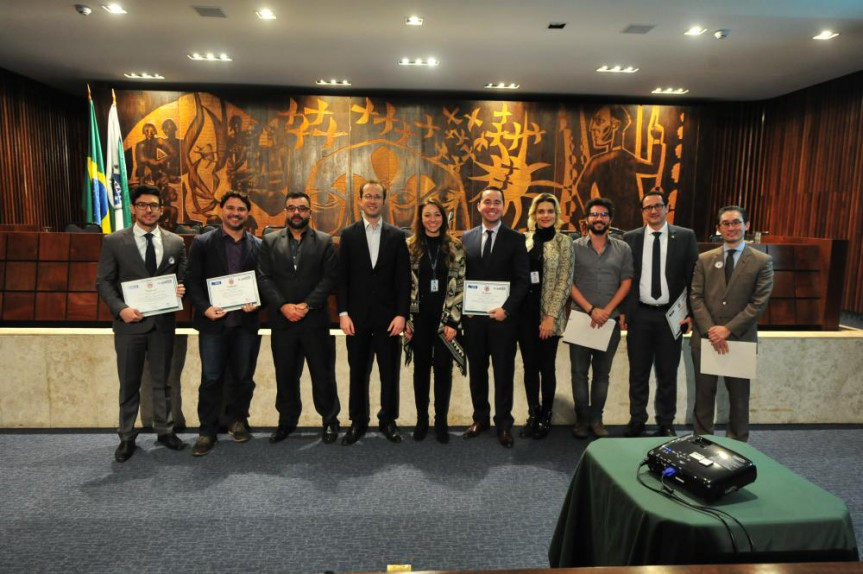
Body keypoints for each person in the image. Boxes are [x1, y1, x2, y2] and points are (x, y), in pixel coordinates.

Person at [95, 184, 188, 462]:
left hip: (162, 325)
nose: (149, 210)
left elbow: (183, 277)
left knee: (163, 381)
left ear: (162, 209)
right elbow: (104, 282)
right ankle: (126, 436)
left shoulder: (175, 242)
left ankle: (165, 430)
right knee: (129, 383)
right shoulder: (114, 241)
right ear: (133, 208)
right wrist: (120, 309)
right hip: (129, 325)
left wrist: (181, 288)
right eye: (143, 205)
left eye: (154, 205)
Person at [258, 191, 342, 444]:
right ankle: (286, 421)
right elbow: (264, 278)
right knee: (285, 375)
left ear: (310, 212)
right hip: (283, 322)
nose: (297, 213)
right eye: (292, 208)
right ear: (286, 211)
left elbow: (330, 278)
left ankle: (330, 420)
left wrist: (306, 305)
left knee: (323, 376)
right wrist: (283, 306)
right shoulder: (269, 241)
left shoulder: (324, 241)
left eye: (302, 208)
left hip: (315, 322)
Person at [185, 191, 261, 457]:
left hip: (245, 324)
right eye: (231, 208)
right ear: (221, 210)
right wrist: (205, 308)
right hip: (213, 324)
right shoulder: (202, 243)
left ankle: (237, 420)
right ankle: (207, 430)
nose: (235, 213)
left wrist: (257, 301)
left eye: (241, 209)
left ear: (247, 213)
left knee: (243, 377)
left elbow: (264, 281)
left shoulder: (258, 245)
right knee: (211, 378)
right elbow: (192, 280)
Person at [690, 205, 774, 442]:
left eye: (736, 222)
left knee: (739, 398)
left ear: (746, 226)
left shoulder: (762, 261)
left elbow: (759, 303)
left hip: (739, 339)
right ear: (718, 228)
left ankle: (737, 444)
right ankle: (702, 442)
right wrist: (711, 330)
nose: (731, 228)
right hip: (706, 338)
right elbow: (695, 296)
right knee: (704, 396)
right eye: (725, 223)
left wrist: (727, 329)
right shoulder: (704, 259)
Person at [620, 189, 698, 437]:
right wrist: (624, 311)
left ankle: (666, 422)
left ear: (666, 208)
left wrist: (691, 313)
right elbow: (625, 277)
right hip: (640, 316)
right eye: (648, 207)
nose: (653, 211)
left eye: (658, 206)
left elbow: (693, 278)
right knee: (638, 373)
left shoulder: (685, 236)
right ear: (642, 212)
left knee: (667, 373)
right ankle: (637, 420)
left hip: (671, 316)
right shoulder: (630, 238)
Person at [338, 181, 410, 445]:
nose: (372, 200)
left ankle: (388, 420)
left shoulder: (396, 236)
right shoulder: (348, 234)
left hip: (389, 320)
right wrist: (343, 313)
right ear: (359, 200)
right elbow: (342, 278)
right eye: (367, 196)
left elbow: (403, 279)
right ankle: (358, 421)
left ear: (383, 201)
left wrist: (401, 314)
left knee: (389, 373)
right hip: (356, 320)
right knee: (358, 372)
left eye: (377, 196)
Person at [461, 186, 530, 448]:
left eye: (497, 202)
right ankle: (480, 419)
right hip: (474, 321)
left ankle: (503, 424)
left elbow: (523, 281)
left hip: (503, 321)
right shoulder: (466, 238)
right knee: (477, 372)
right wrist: (464, 304)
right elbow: (460, 277)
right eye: (487, 202)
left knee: (503, 374)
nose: (492, 207)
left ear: (503, 206)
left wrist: (507, 309)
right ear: (479, 206)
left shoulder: (516, 239)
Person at [569, 197, 633, 439]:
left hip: (610, 321)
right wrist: (590, 309)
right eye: (594, 214)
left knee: (602, 375)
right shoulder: (574, 247)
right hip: (581, 319)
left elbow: (626, 281)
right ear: (586, 219)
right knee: (578, 374)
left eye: (603, 215)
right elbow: (569, 282)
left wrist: (606, 310)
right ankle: (581, 420)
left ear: (610, 220)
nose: (599, 218)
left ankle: (596, 420)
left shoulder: (623, 248)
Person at [403, 198, 466, 444]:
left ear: (444, 218)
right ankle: (422, 420)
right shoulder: (410, 246)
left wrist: (453, 322)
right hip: (418, 320)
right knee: (420, 370)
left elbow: (461, 285)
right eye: (427, 215)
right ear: (420, 219)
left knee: (442, 370)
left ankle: (441, 421)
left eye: (437, 215)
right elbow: (402, 284)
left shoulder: (455, 246)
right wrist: (406, 320)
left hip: (444, 321)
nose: (432, 220)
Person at [516, 193, 574, 439]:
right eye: (541, 211)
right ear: (534, 214)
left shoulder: (564, 242)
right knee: (529, 367)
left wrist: (550, 316)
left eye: (550, 211)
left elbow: (565, 282)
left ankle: (546, 416)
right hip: (524, 315)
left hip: (550, 316)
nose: (545, 215)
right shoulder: (524, 240)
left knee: (546, 367)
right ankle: (533, 414)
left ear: (556, 214)